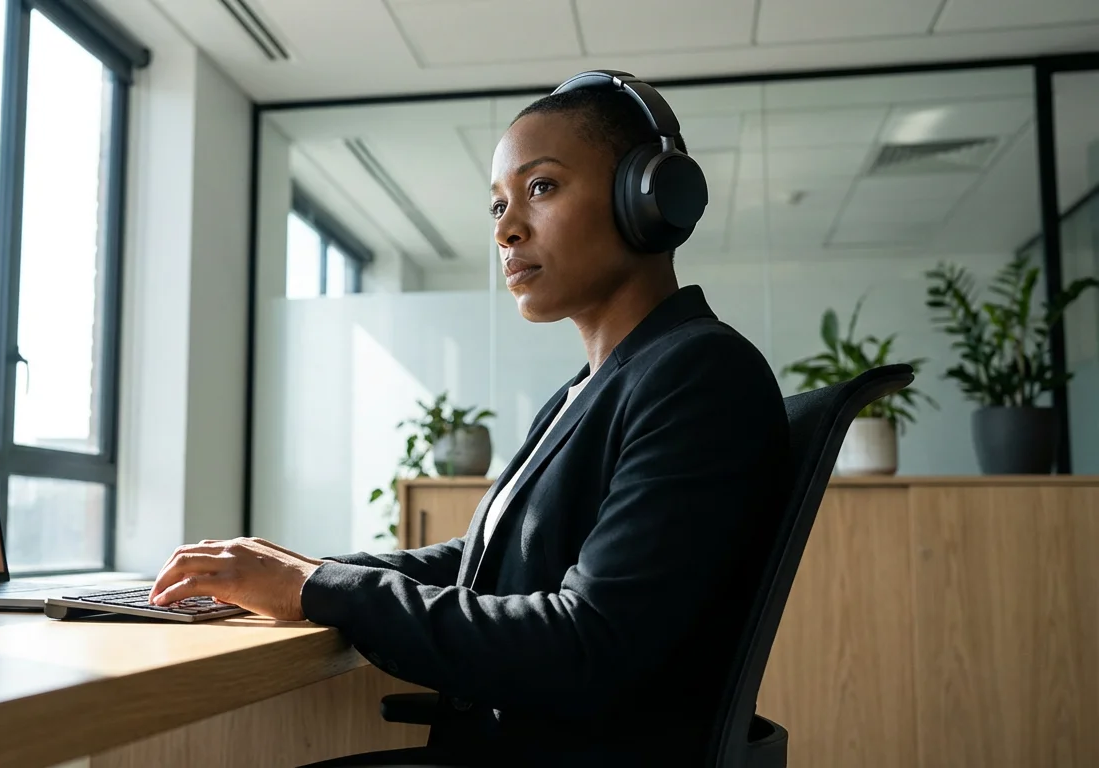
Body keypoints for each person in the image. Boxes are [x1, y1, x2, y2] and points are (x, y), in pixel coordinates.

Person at [148, 72, 792, 766]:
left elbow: (589, 642)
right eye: (497, 206)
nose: (507, 229)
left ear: (648, 197)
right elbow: (483, 560)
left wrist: (317, 588)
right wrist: (300, 572)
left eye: (541, 186)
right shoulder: (589, 390)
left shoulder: (698, 372)